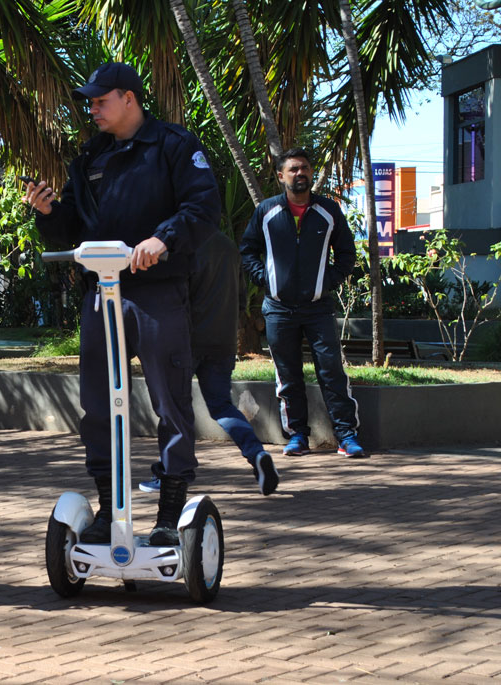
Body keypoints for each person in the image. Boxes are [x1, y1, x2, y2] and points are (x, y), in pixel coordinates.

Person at [24, 62, 221, 546]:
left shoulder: (175, 146)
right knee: (98, 405)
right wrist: (50, 214)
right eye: (89, 102)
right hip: (102, 294)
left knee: (169, 404)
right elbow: (72, 227)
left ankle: (168, 516)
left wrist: (163, 239)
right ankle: (108, 512)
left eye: (99, 100)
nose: (91, 109)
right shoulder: (89, 157)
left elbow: (203, 209)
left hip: (157, 293)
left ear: (129, 98)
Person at [240, 147, 366, 458]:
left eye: (305, 168)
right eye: (294, 169)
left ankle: (347, 436)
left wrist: (327, 282)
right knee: (288, 374)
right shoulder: (266, 212)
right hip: (279, 309)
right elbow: (247, 251)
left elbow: (347, 255)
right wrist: (266, 280)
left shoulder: (328, 210)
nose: (301, 174)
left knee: (331, 371)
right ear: (281, 176)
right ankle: (297, 435)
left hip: (318, 307)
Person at [140, 231, 279, 496]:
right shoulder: (228, 244)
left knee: (174, 408)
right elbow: (240, 298)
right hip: (223, 340)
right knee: (222, 406)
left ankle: (171, 473)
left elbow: (175, 296)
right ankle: (256, 454)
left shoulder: (181, 243)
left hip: (187, 339)